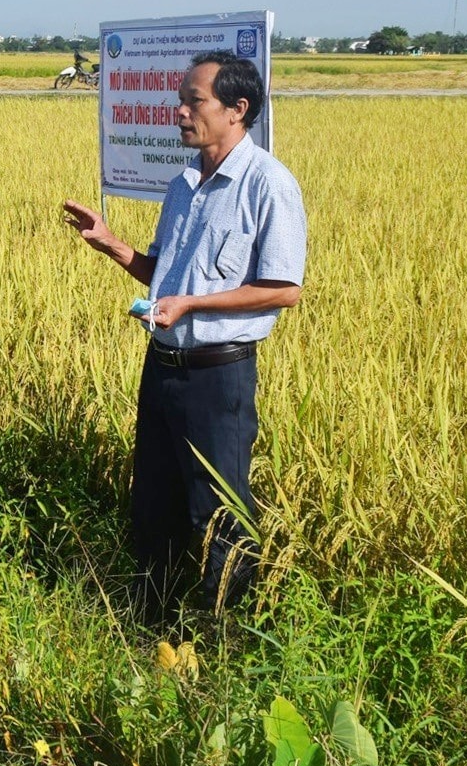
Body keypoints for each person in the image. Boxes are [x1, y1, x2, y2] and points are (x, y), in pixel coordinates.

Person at [61, 50, 306, 625]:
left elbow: (282, 288)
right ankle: (153, 625)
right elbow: (164, 277)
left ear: (236, 110)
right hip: (163, 366)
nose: (179, 111)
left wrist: (192, 303)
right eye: (181, 99)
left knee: (218, 513)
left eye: (194, 101)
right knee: (154, 503)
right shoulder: (183, 185)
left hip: (218, 376)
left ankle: (225, 636)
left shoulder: (268, 185)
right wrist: (113, 245)